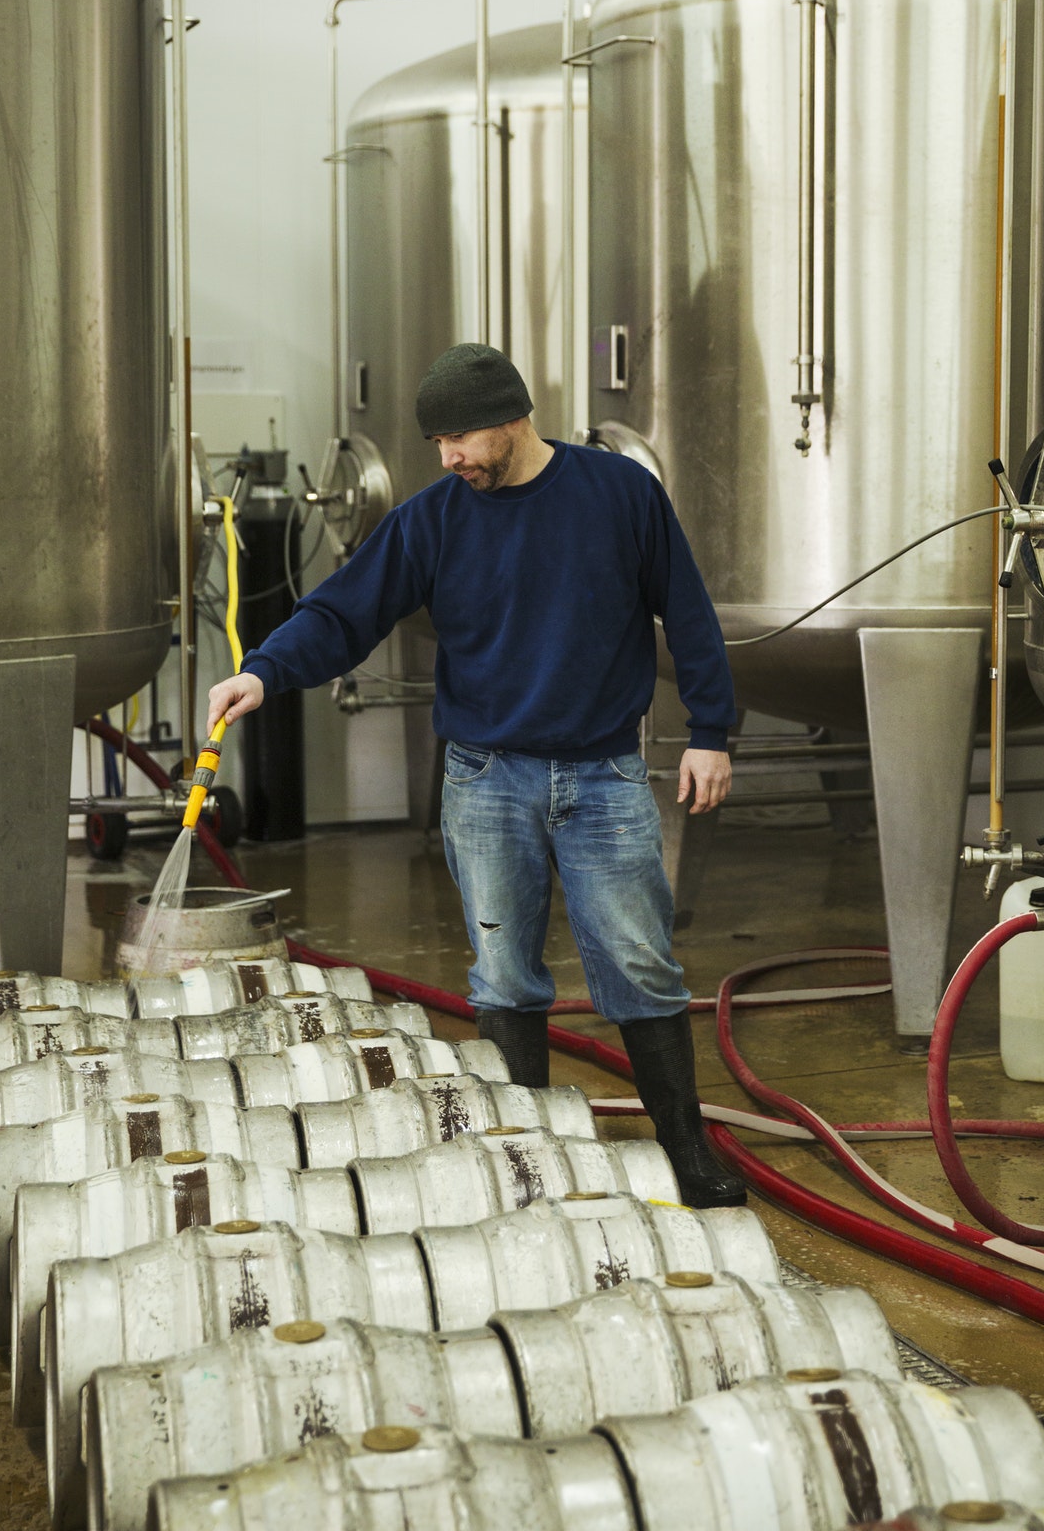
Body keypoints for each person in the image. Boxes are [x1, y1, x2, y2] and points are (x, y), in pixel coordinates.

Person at [207, 342, 745, 1207]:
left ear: (511, 417)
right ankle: (528, 1158)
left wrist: (710, 730)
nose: (448, 457)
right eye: (438, 443)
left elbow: (686, 613)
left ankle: (686, 1149)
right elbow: (345, 611)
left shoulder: (619, 495)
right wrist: (263, 670)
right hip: (486, 780)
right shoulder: (433, 518)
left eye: (459, 437)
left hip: (602, 779)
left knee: (641, 968)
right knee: (503, 974)